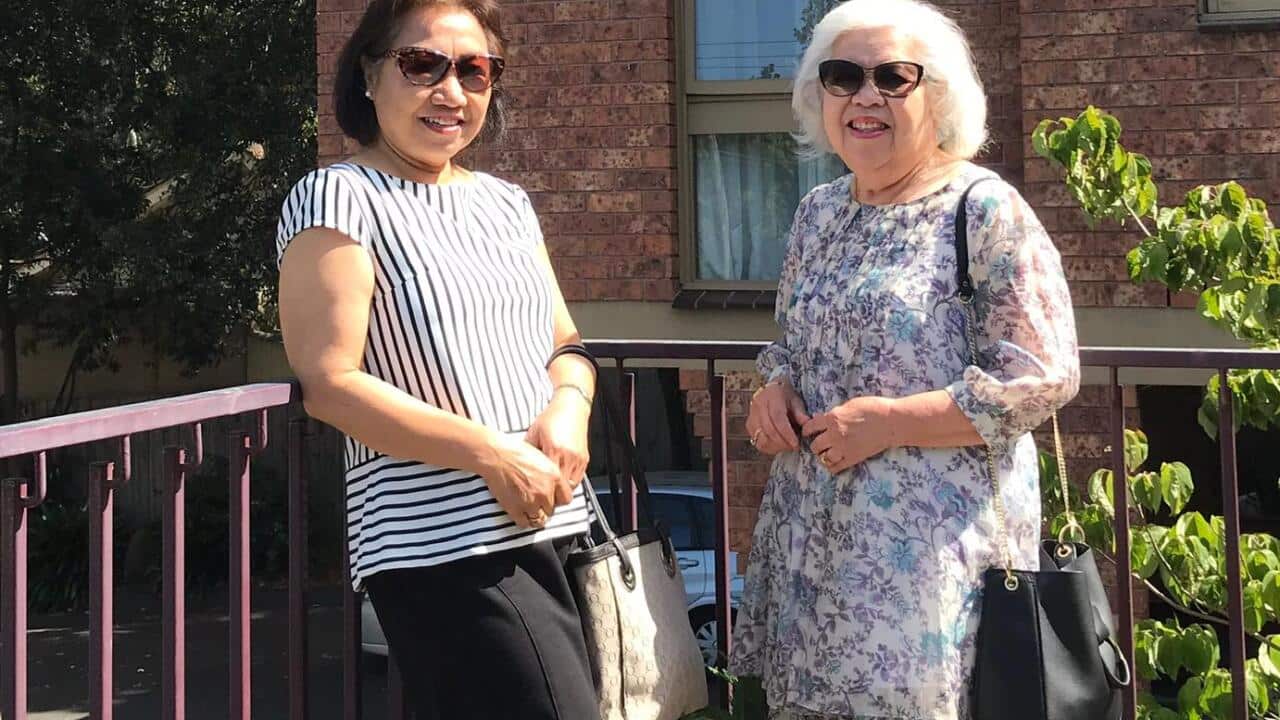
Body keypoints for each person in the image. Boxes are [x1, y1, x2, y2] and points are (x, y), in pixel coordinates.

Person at [733, 1, 1080, 718]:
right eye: (842, 76)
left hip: (927, 570)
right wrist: (775, 388)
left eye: (893, 77)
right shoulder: (820, 214)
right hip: (814, 556)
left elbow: (1042, 378)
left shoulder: (983, 210)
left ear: (939, 96)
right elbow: (792, 345)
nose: (865, 96)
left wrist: (889, 422)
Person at [274, 1, 601, 718]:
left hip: (556, 523)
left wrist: (568, 410)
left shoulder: (506, 203)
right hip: (441, 551)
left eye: (475, 71)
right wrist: (492, 454)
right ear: (368, 74)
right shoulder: (338, 197)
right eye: (422, 64)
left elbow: (565, 346)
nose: (451, 91)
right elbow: (330, 383)